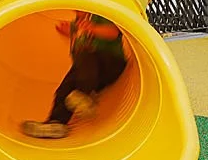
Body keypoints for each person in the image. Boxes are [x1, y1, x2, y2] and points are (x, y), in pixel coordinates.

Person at [21, 11, 130, 139]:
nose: (78, 12)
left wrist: (92, 28)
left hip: (111, 63)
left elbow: (114, 32)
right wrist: (71, 31)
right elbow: (77, 35)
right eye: (76, 11)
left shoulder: (98, 16)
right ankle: (56, 123)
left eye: (81, 10)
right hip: (91, 75)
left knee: (85, 54)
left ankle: (84, 94)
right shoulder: (77, 26)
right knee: (65, 88)